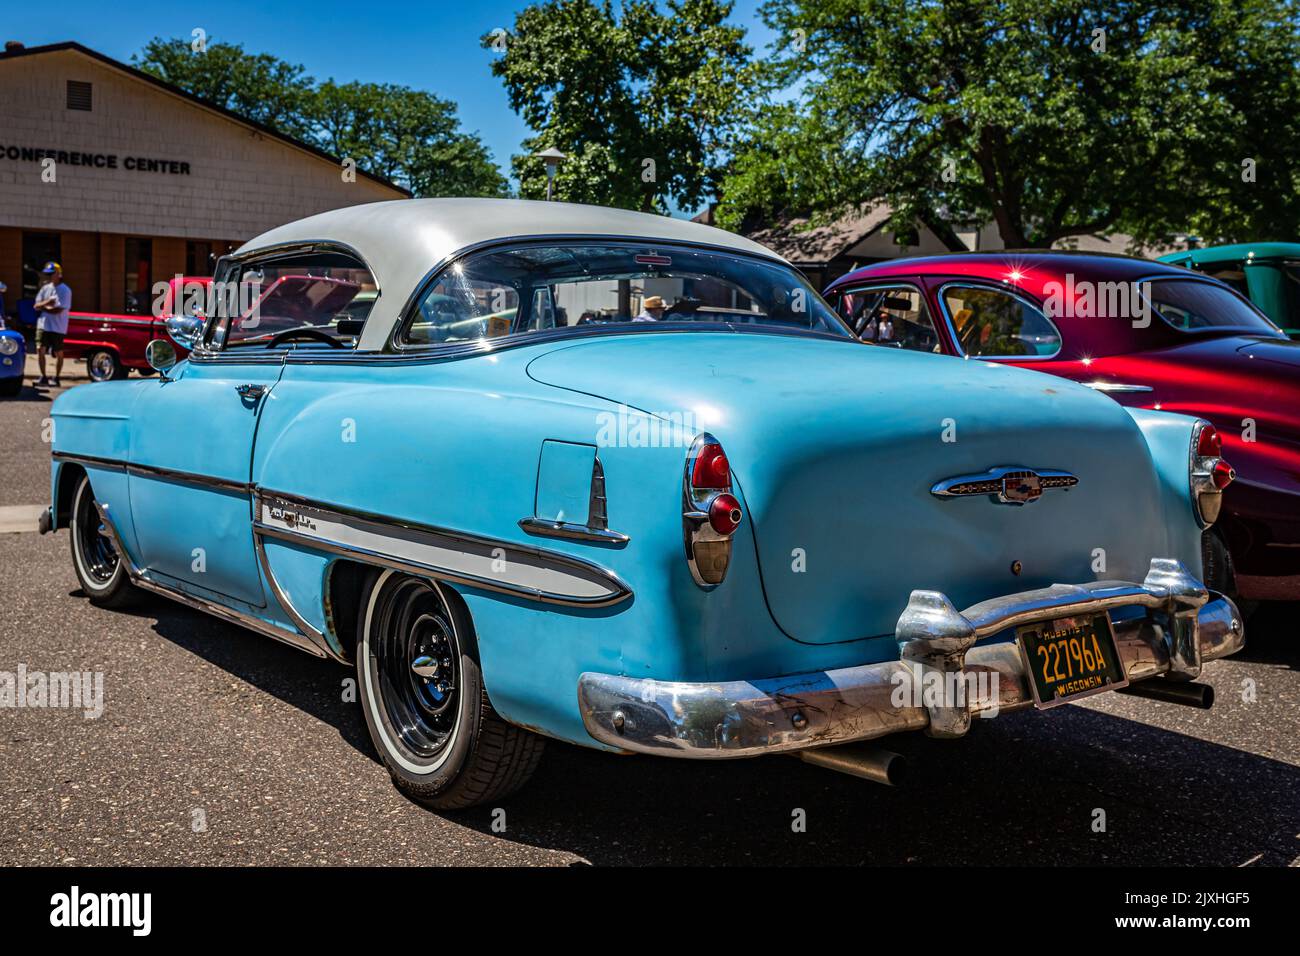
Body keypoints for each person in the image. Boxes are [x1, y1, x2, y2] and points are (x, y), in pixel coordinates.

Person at [34, 262, 71, 388]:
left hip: (58, 326)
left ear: (59, 274)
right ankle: (43, 376)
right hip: (43, 325)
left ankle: (57, 377)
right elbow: (36, 306)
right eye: (48, 274)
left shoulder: (65, 290)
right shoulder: (45, 289)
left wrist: (43, 306)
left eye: (51, 274)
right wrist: (48, 302)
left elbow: (58, 310)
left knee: (58, 352)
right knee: (40, 350)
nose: (49, 277)